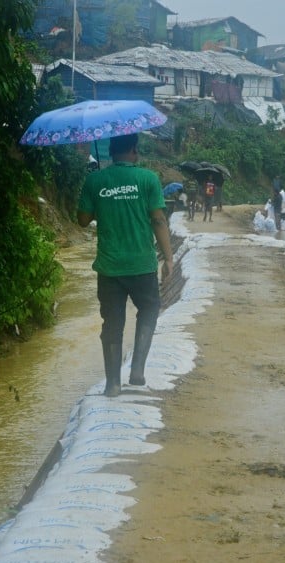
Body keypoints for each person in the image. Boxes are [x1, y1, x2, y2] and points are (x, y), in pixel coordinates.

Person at [77, 133, 174, 397]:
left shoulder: (94, 180)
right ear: (134, 150)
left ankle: (113, 384)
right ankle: (138, 370)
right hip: (142, 264)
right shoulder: (148, 179)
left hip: (109, 268)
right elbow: (158, 220)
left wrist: (100, 198)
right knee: (150, 308)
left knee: (112, 323)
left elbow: (83, 220)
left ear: (110, 151)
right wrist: (168, 258)